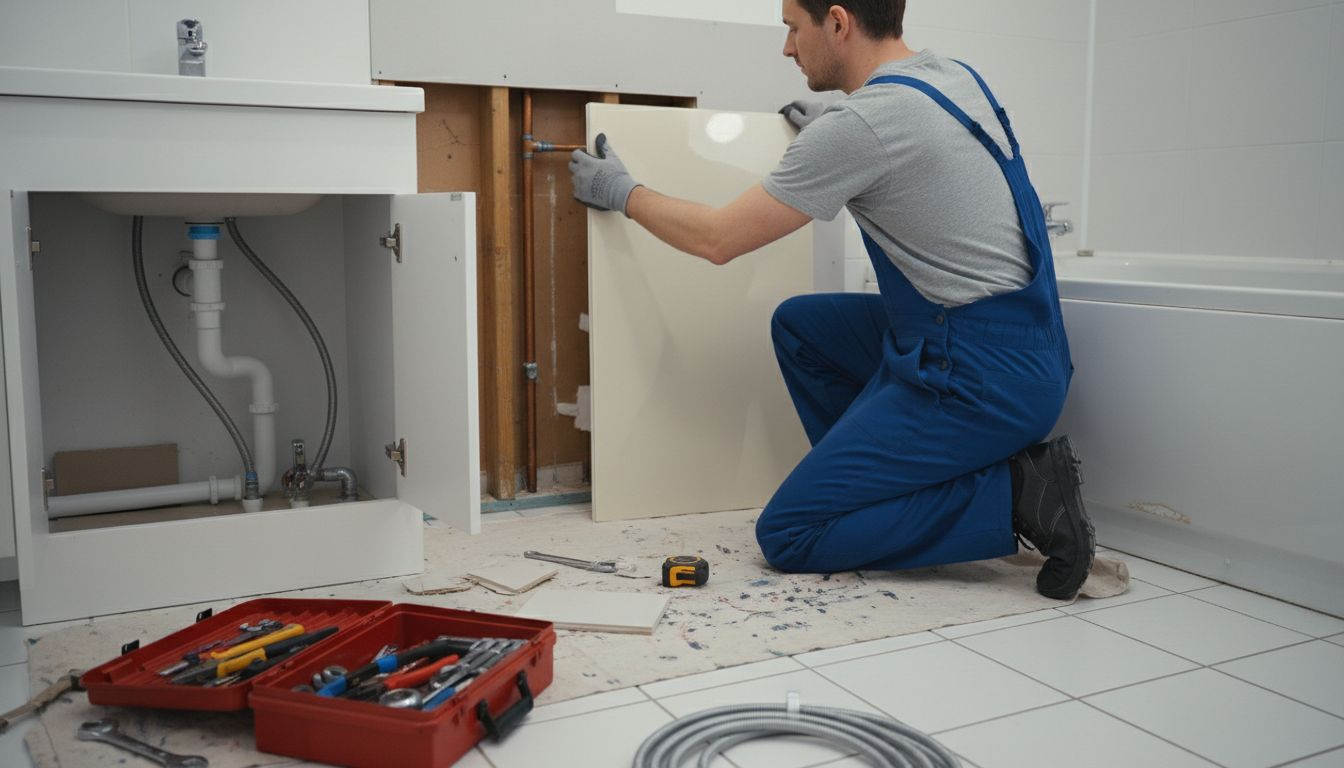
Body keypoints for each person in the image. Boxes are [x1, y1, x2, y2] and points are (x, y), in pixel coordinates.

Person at [569, 0, 1095, 600]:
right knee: (802, 326)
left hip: (979, 379)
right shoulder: (951, 76)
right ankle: (882, 486)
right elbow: (916, 153)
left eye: (794, 29)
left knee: (791, 532)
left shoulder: (861, 127)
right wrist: (841, 121)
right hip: (1027, 349)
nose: (787, 48)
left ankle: (1018, 494)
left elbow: (718, 240)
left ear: (839, 23)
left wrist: (624, 193)